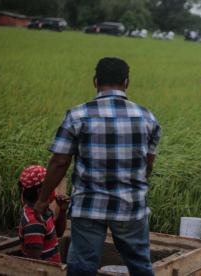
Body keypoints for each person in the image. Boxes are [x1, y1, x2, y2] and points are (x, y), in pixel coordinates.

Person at [33, 57, 161, 275]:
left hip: (89, 206)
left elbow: (59, 162)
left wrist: (43, 199)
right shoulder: (147, 117)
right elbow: (147, 166)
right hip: (130, 206)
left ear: (95, 81)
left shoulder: (77, 115)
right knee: (140, 265)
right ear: (127, 82)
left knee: (82, 266)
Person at [17, 165, 69, 263]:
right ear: (41, 192)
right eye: (52, 186)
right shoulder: (34, 223)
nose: (54, 189)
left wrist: (62, 211)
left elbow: (58, 233)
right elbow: (34, 263)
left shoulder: (43, 211)